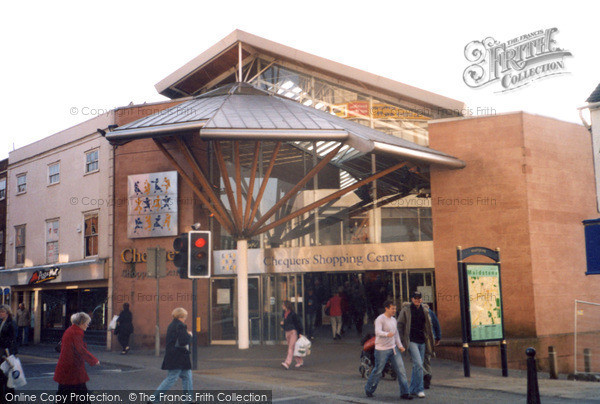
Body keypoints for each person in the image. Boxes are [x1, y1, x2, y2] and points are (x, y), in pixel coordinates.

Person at [364, 300, 412, 400]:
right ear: (386, 308)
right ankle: (369, 389)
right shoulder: (380, 319)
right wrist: (387, 334)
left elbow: (396, 334)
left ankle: (405, 393)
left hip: (393, 349)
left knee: (401, 370)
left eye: (395, 308)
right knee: (378, 370)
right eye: (392, 308)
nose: (394, 310)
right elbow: (377, 332)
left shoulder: (394, 320)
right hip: (381, 350)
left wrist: (400, 346)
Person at [53, 312, 100, 400]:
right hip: (72, 368)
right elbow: (80, 349)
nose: (87, 325)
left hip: (68, 368)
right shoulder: (76, 332)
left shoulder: (70, 330)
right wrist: (94, 360)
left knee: (65, 393)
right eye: (87, 323)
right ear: (81, 323)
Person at [397, 291, 435, 398]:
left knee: (417, 366)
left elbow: (429, 325)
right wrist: (400, 341)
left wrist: (432, 338)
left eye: (419, 298)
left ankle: (412, 389)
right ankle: (419, 389)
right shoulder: (406, 310)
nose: (417, 300)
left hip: (422, 341)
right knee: (418, 364)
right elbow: (399, 325)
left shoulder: (425, 310)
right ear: (412, 299)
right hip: (411, 341)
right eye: (415, 298)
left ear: (421, 299)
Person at [150, 308, 193, 402]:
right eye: (185, 316)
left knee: (187, 376)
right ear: (181, 316)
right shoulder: (181, 326)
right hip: (178, 357)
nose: (185, 318)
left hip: (174, 356)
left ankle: (189, 400)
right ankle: (154, 399)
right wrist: (189, 335)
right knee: (171, 378)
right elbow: (183, 341)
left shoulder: (171, 325)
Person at [280, 300, 304, 369]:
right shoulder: (284, 314)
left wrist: (300, 333)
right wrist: (282, 325)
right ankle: (300, 361)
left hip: (293, 332)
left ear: (286, 306)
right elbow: (285, 324)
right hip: (287, 332)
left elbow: (298, 324)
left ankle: (287, 363)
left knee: (290, 348)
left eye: (283, 305)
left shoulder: (293, 314)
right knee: (293, 348)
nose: (282, 306)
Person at [0, 305, 17, 397]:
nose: (1, 314)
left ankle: (9, 392)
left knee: (7, 372)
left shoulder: (11, 323)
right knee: (2, 371)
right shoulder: (1, 322)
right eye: (0, 312)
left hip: (7, 351)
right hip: (1, 350)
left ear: (7, 313)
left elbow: (13, 338)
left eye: (2, 312)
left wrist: (10, 353)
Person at [423, 309, 441, 389]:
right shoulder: (429, 311)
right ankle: (428, 376)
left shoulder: (412, 310)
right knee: (427, 359)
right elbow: (436, 324)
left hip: (423, 338)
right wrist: (438, 337)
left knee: (417, 360)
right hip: (430, 338)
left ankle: (426, 374)